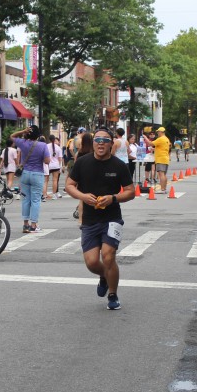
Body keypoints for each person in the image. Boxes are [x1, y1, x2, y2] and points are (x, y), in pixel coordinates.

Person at [66, 125, 134, 311]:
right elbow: (69, 185)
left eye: (105, 140)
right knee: (92, 262)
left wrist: (113, 198)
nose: (101, 143)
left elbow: (130, 192)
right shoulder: (82, 162)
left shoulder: (119, 165)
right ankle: (105, 276)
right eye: (97, 140)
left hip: (112, 218)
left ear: (112, 144)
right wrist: (83, 196)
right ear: (93, 142)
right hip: (90, 219)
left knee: (108, 256)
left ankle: (112, 294)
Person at [12, 124, 50, 233]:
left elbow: (12, 136)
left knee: (25, 199)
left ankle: (25, 225)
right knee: (35, 200)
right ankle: (33, 225)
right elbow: (47, 161)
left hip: (25, 174)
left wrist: (23, 131)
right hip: (37, 174)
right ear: (38, 135)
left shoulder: (23, 143)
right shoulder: (43, 145)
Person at [150, 126, 172, 192]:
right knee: (164, 174)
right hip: (165, 158)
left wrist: (144, 137)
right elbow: (163, 148)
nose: (157, 133)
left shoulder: (161, 139)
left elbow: (150, 143)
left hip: (160, 159)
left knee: (161, 174)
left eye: (158, 132)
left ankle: (162, 189)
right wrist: (154, 149)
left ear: (161, 132)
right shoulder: (166, 139)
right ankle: (164, 188)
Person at [45, 134, 64, 199]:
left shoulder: (46, 146)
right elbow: (60, 158)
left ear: (49, 139)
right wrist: (60, 166)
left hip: (48, 165)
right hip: (56, 165)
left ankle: (44, 194)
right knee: (55, 180)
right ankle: (54, 195)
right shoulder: (58, 148)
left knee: (46, 181)